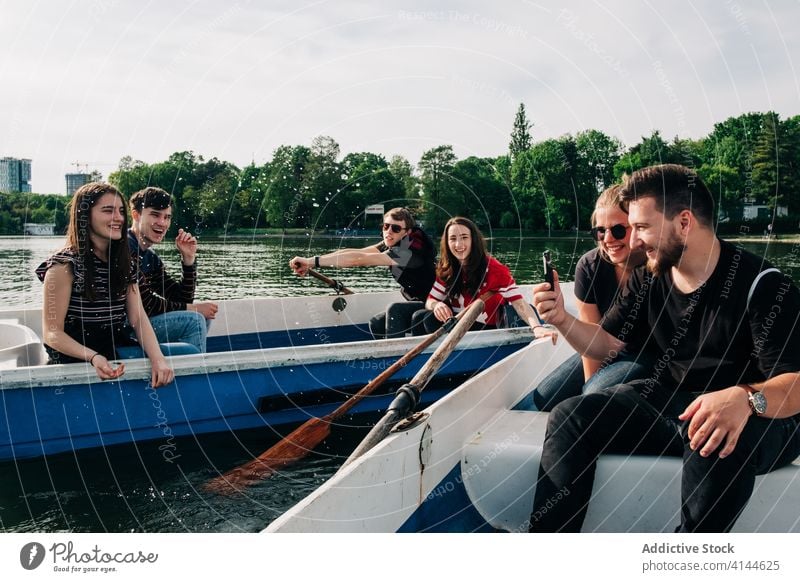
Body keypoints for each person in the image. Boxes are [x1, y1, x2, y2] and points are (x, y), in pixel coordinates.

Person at [529, 164, 800, 533]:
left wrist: (745, 398)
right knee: (570, 416)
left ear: (684, 222)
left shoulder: (764, 286)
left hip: (759, 417)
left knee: (713, 432)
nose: (634, 241)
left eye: (641, 227)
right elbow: (607, 343)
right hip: (678, 403)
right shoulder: (650, 274)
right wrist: (562, 318)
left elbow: (796, 383)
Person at [36, 182, 174, 388]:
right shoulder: (63, 266)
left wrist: (158, 359)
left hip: (114, 350)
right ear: (86, 215)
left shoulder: (124, 261)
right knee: (187, 353)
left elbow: (137, 318)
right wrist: (93, 358)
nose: (118, 218)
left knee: (183, 354)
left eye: (120, 211)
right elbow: (52, 333)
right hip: (77, 361)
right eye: (108, 211)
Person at [530, 185, 650, 411]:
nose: (608, 239)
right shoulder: (590, 266)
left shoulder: (654, 265)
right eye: (600, 231)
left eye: (618, 230)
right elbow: (592, 341)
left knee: (593, 396)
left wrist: (590, 399)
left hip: (648, 353)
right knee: (545, 397)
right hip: (604, 346)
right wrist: (590, 390)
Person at [290, 207, 436, 338]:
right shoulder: (392, 242)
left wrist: (312, 262)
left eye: (396, 229)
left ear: (407, 232)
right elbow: (357, 253)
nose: (388, 232)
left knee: (395, 310)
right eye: (386, 226)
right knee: (377, 323)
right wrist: (311, 261)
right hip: (419, 302)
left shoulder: (408, 252)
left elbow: (357, 260)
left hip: (436, 304)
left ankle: (395, 361)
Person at [413, 217, 555, 341]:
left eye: (464, 237)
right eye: (453, 239)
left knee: (426, 319)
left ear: (473, 240)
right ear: (447, 242)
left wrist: (537, 327)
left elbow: (520, 304)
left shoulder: (495, 270)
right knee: (420, 317)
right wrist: (436, 305)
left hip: (486, 329)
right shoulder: (447, 269)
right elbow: (430, 301)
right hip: (457, 321)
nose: (458, 244)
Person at [128, 187, 217, 353]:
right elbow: (147, 304)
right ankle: (194, 374)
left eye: (167, 217)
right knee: (194, 320)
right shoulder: (125, 248)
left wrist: (188, 261)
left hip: (141, 324)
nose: (162, 223)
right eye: (155, 214)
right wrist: (193, 309)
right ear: (136, 215)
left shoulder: (149, 256)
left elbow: (181, 298)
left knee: (201, 318)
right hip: (123, 328)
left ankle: (177, 367)